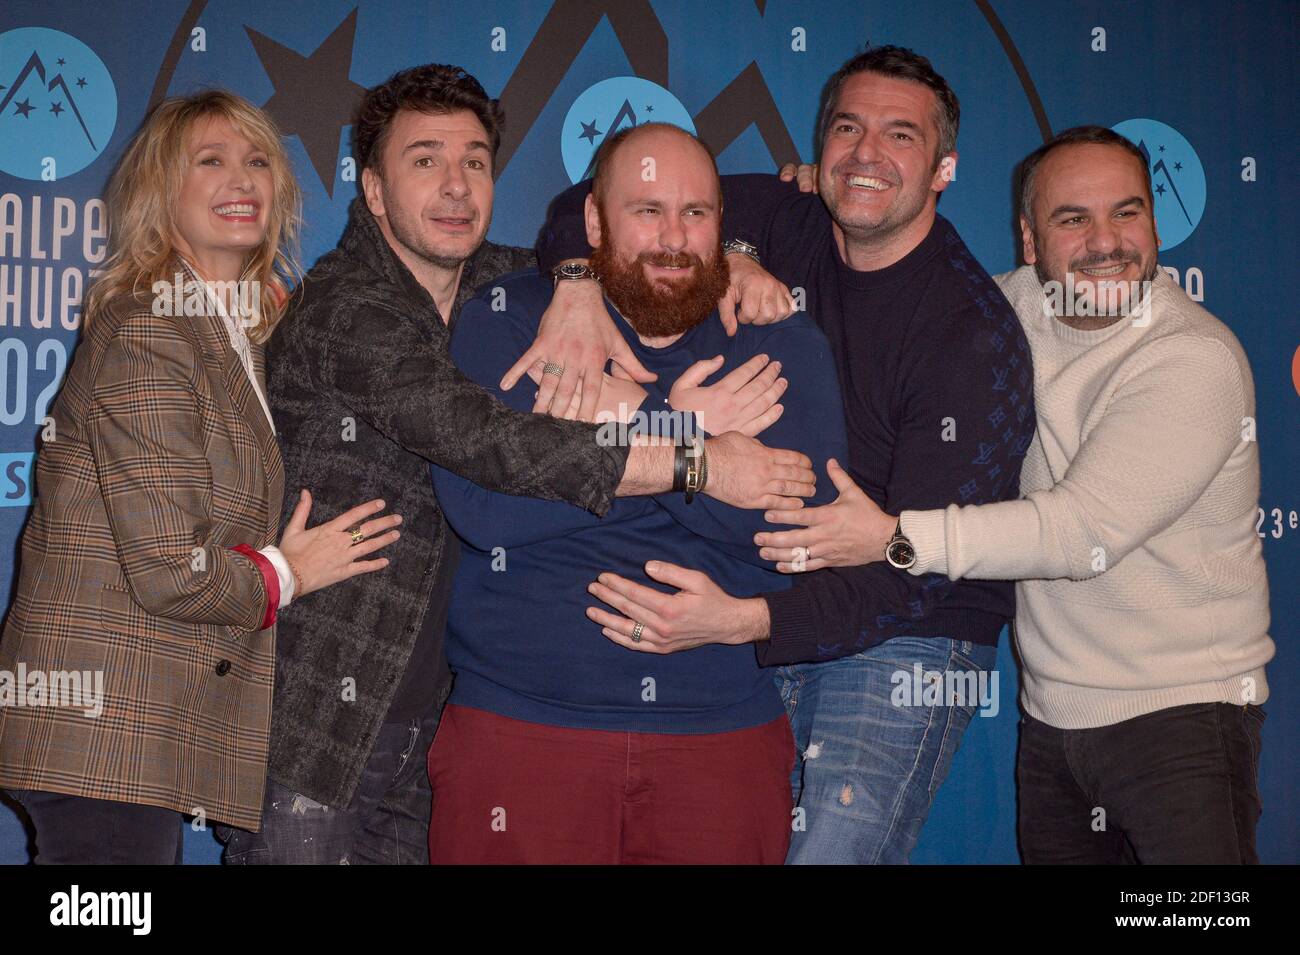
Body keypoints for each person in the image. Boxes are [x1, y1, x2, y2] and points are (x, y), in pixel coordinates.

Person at [229, 66, 813, 864]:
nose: (456, 186)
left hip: (433, 716)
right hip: (327, 722)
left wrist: (726, 256)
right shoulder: (343, 307)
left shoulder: (511, 284)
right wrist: (690, 447)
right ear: (372, 190)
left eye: (474, 161)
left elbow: (637, 216)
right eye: (424, 160)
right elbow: (488, 444)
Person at [543, 46, 1035, 864]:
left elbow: (923, 567)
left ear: (945, 167)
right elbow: (592, 203)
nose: (866, 153)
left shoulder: (971, 335)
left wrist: (743, 623)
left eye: (901, 136)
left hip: (905, 630)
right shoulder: (785, 215)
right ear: (819, 145)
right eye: (849, 127)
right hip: (766, 590)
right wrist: (575, 284)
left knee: (827, 852)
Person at [785, 126, 1273, 864]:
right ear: (1028, 240)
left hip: (1185, 719)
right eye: (1073, 218)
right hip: (1050, 722)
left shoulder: (1193, 357)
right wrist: (824, 191)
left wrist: (894, 536)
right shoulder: (1008, 309)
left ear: (1156, 223)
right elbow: (903, 279)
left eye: (1128, 212)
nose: (1105, 241)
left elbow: (1082, 533)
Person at [428, 122, 847, 864]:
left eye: (697, 214)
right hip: (521, 732)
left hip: (722, 739)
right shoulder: (512, 319)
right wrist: (700, 450)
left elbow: (795, 539)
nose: (674, 238)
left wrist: (613, 422)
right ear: (592, 221)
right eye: (646, 210)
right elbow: (485, 509)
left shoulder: (780, 341)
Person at [0, 90, 400, 864]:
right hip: (103, 726)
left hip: (137, 729)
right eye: (209, 161)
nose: (241, 179)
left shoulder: (236, 329)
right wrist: (291, 572)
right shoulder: (153, 327)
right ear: (160, 192)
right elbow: (166, 568)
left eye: (257, 161)